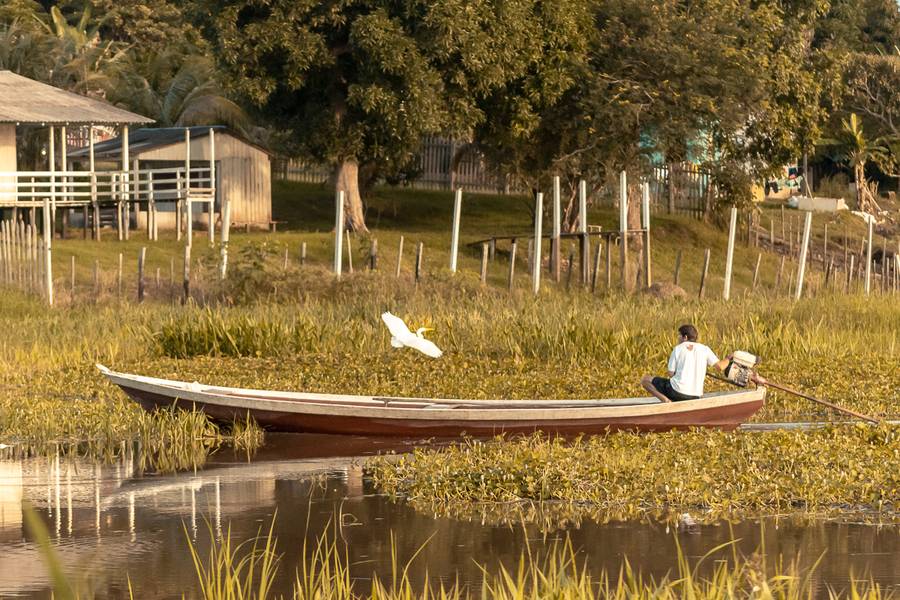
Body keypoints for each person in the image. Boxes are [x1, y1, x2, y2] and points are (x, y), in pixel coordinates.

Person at [641, 324, 731, 402]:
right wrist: (728, 358)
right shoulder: (705, 349)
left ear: (685, 337)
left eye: (679, 335)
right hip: (695, 396)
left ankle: (665, 400)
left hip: (676, 392)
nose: (678, 338)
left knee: (645, 380)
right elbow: (720, 367)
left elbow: (670, 373)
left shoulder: (678, 348)